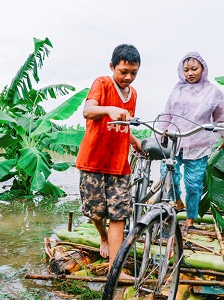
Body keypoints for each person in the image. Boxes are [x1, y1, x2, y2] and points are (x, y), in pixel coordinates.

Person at [75, 44, 142, 273]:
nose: (128, 77)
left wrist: (134, 140)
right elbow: (88, 111)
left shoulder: (133, 95)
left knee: (119, 214)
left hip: (119, 163)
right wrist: (109, 109)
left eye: (133, 73)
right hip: (93, 161)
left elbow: (123, 125)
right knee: (96, 213)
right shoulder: (102, 83)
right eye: (124, 71)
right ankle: (102, 237)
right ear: (112, 66)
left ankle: (115, 268)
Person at [157, 51, 224, 231]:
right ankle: (177, 201)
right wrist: (160, 135)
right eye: (186, 70)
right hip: (175, 142)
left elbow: (221, 117)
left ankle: (190, 220)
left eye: (194, 69)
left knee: (193, 184)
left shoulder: (213, 92)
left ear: (203, 69)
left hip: (198, 145)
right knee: (167, 176)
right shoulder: (177, 89)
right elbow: (167, 114)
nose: (190, 73)